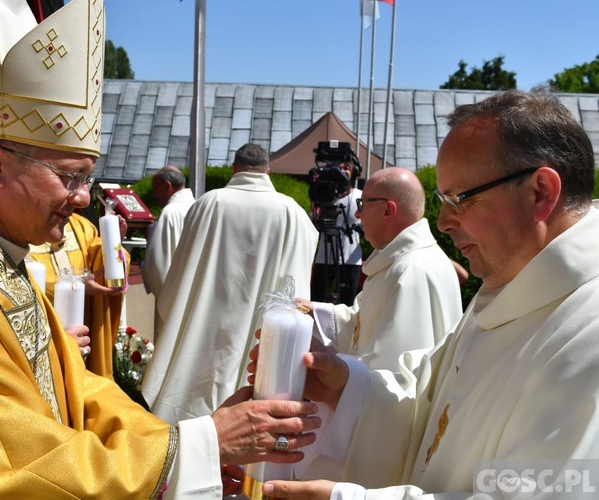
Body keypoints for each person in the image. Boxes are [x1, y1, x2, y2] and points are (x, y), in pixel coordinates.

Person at [0, 1, 322, 497]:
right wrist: (197, 448)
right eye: (70, 177)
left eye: (87, 178)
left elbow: (78, 392)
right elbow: (6, 473)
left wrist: (195, 441)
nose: (82, 199)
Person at [253, 88, 599, 499]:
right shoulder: (513, 284)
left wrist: (349, 497)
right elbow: (428, 397)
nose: (445, 220)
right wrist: (345, 386)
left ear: (540, 191)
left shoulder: (587, 332)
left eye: (459, 199)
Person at [142, 142, 319, 425]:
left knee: (189, 410)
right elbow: (298, 288)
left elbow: (179, 273)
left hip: (203, 330)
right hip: (261, 337)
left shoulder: (209, 203)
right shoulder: (292, 213)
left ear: (234, 168)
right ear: (268, 170)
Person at [298, 167, 463, 370]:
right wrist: (316, 312)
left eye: (363, 204)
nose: (358, 214)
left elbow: (392, 372)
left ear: (388, 210)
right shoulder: (401, 261)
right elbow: (365, 323)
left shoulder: (410, 271)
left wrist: (329, 363)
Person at [28, 212, 128, 377]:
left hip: (82, 331)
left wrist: (111, 246)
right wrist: (80, 283)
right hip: (42, 335)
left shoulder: (82, 227)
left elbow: (99, 265)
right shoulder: (18, 226)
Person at [141, 164, 196, 337]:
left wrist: (166, 300)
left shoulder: (170, 212)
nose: (154, 195)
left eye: (155, 189)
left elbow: (158, 266)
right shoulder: (200, 207)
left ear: (167, 186)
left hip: (174, 300)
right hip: (196, 298)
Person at [310, 162, 363, 307]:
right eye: (339, 168)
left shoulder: (360, 195)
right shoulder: (323, 194)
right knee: (317, 300)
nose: (342, 171)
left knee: (348, 304)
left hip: (351, 259)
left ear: (353, 172)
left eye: (346, 168)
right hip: (323, 258)